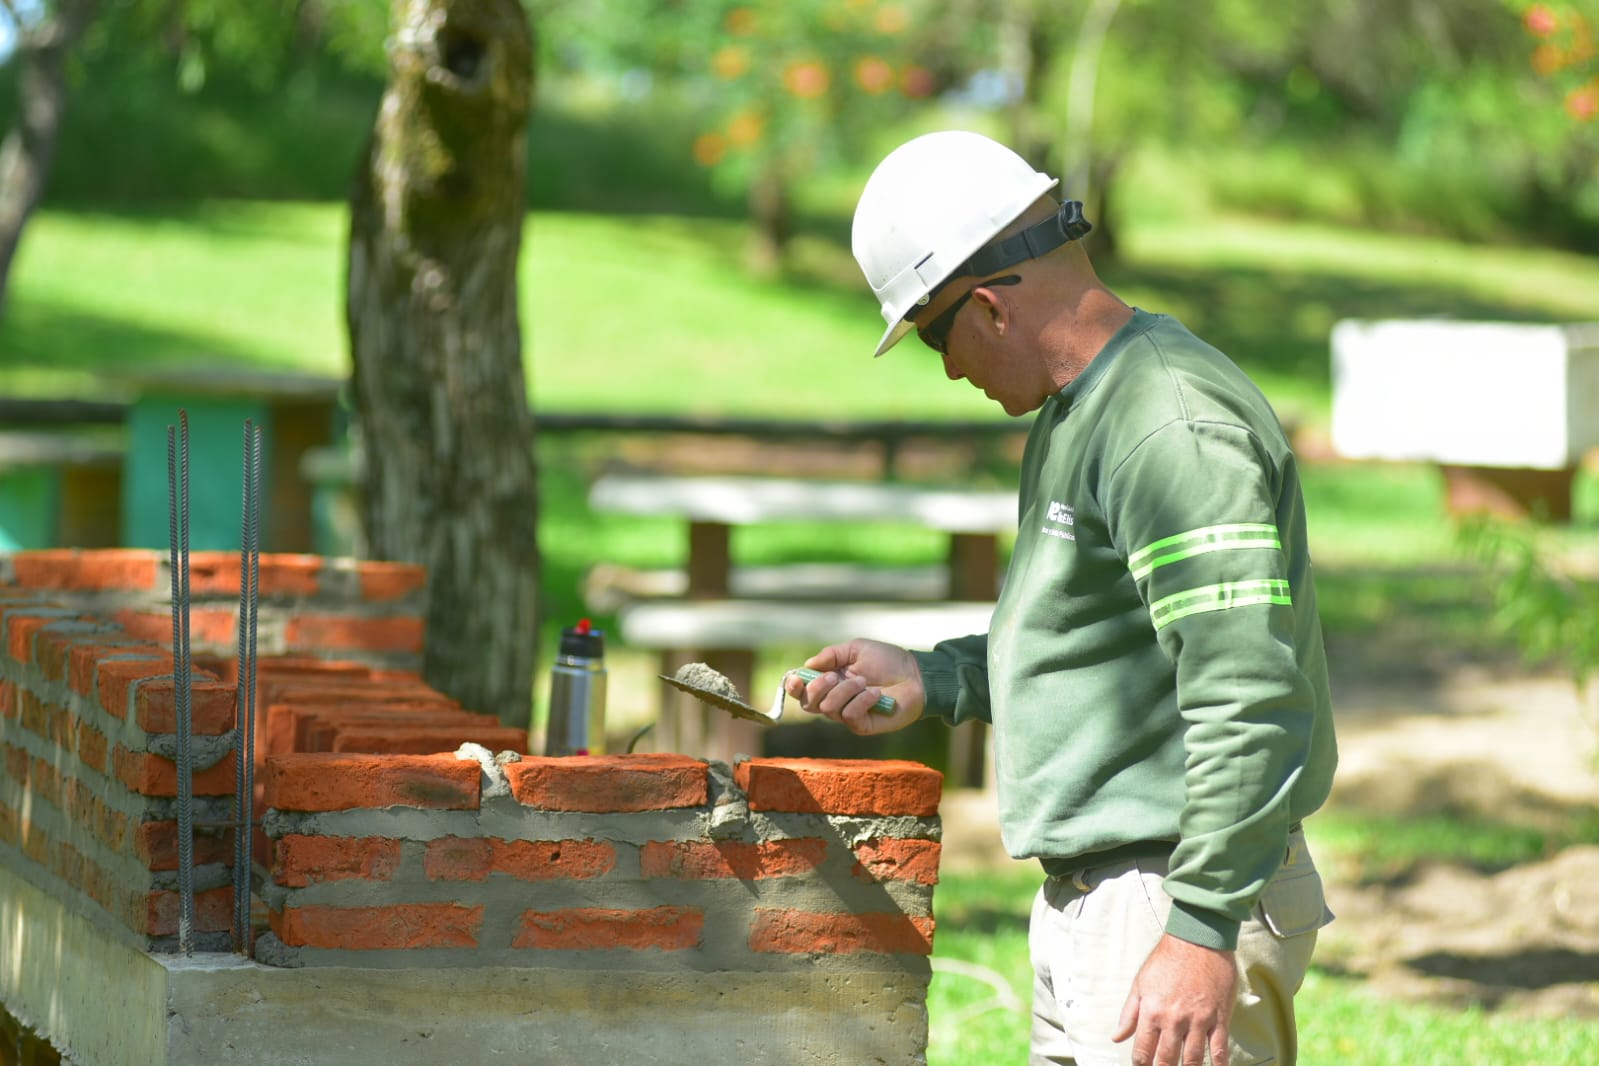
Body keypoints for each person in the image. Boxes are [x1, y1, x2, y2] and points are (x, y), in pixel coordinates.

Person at [782, 130, 1338, 1066]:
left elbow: (1250, 693)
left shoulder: (1166, 427)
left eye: (931, 336)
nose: (949, 369)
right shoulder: (1082, 407)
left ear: (990, 308)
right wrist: (935, 677)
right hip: (1115, 896)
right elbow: (1100, 642)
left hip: (1172, 894)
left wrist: (1199, 933)